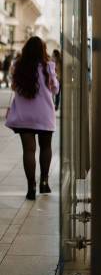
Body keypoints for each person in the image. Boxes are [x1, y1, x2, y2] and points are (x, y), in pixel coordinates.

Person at [5, 37, 59, 200]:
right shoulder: (48, 66)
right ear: (42, 50)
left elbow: (13, 86)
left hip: (24, 116)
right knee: (45, 147)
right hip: (44, 115)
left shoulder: (18, 66)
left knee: (28, 151)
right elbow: (55, 89)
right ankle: (44, 182)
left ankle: (31, 187)